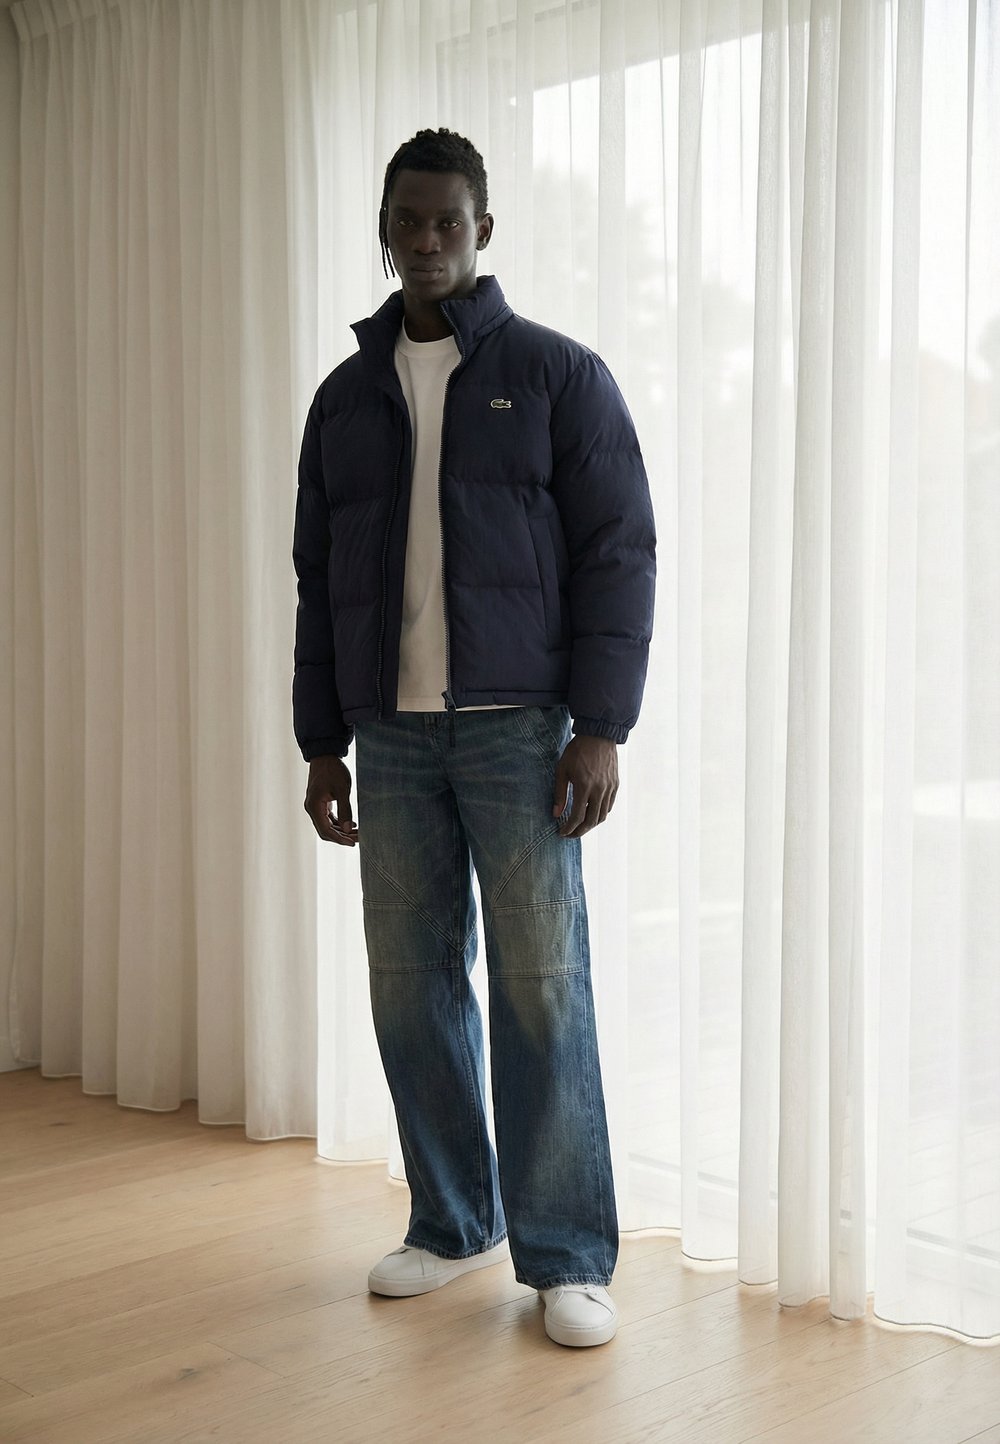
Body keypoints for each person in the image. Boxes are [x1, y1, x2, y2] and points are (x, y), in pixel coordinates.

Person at [293, 128, 655, 1348]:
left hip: (519, 732)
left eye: (448, 220)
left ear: (482, 229)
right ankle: (453, 1220)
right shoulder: (344, 399)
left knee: (542, 988)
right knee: (409, 985)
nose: (428, 240)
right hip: (388, 737)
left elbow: (619, 553)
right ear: (384, 231)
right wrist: (321, 741)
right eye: (408, 220)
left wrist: (600, 725)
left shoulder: (557, 374)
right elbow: (317, 582)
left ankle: (567, 1256)